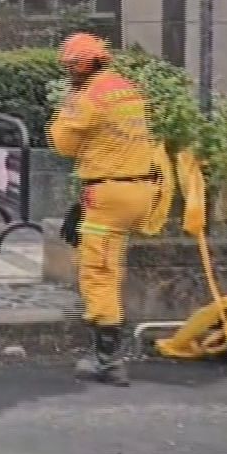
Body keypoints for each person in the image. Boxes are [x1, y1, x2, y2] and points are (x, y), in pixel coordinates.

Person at [47, 32, 166, 387]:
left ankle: (107, 360)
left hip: (108, 194)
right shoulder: (129, 89)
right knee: (111, 262)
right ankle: (108, 352)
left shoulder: (86, 96)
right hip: (141, 190)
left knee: (97, 271)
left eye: (70, 66)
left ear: (78, 65)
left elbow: (63, 144)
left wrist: (66, 105)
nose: (69, 72)